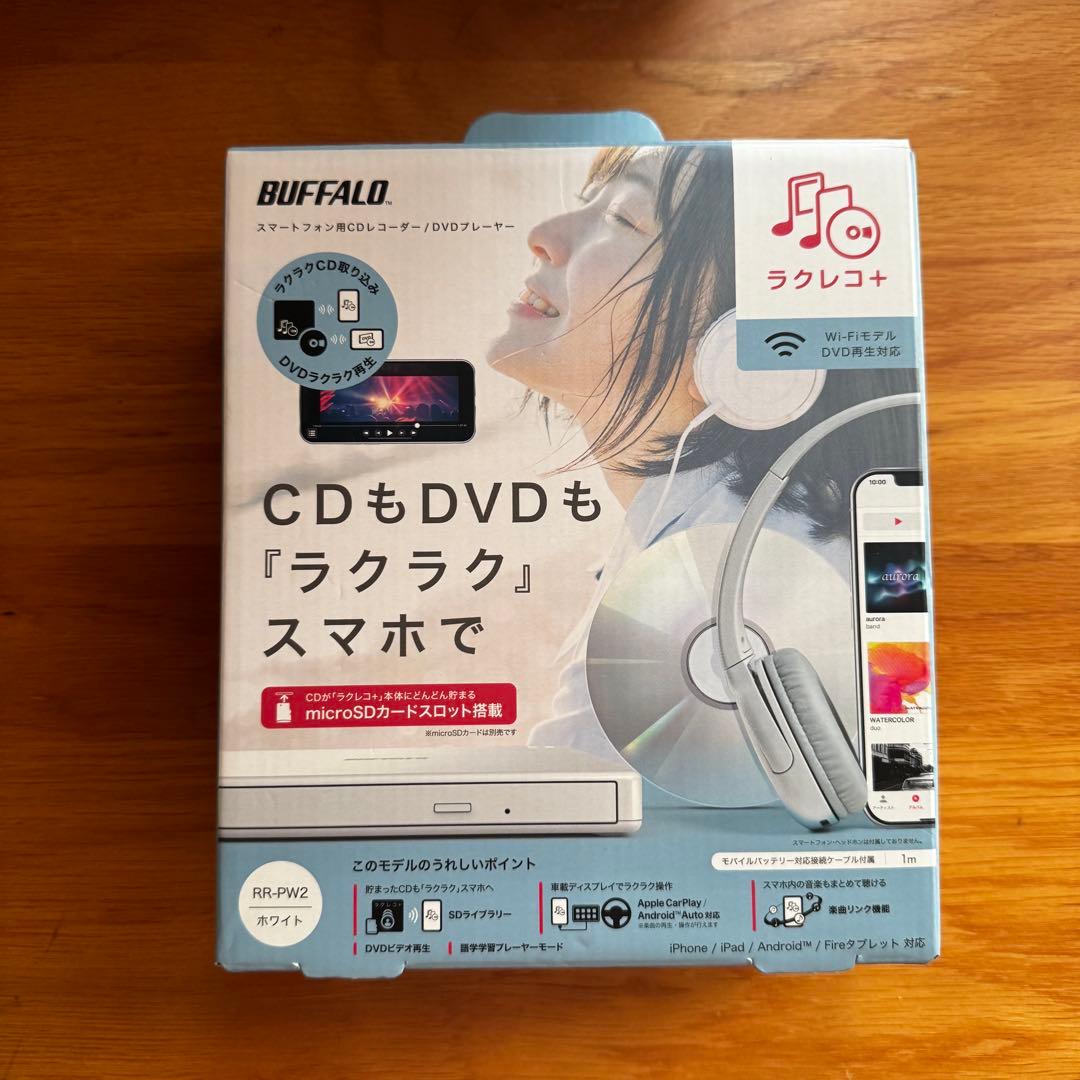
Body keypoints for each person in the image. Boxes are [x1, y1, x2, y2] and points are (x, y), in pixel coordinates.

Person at [488, 145, 919, 780]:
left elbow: (574, 819)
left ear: (735, 357)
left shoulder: (720, 581)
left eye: (624, 218)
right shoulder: (731, 529)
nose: (544, 236)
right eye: (587, 202)